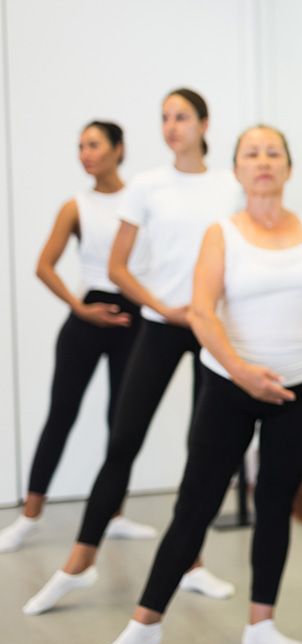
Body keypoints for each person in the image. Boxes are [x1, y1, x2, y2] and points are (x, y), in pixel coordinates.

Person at [101, 125, 302, 644]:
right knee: (197, 503)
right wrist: (240, 371)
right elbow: (203, 313)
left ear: (289, 166)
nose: (263, 161)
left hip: (300, 386)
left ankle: (261, 626)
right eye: (251, 153)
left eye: (273, 152)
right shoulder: (222, 232)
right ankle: (145, 624)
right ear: (236, 170)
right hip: (230, 384)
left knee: (277, 503)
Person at [23, 88, 243, 616]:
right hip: (163, 324)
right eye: (165, 117)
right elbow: (119, 267)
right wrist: (164, 309)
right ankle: (80, 560)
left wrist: (210, 310)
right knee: (123, 440)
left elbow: (242, 255)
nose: (171, 126)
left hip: (212, 325)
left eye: (182, 116)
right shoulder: (147, 185)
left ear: (204, 123)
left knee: (203, 447)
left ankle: (191, 562)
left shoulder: (231, 186)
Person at [0, 121, 156, 554]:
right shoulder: (77, 206)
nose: (85, 154)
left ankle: (114, 514)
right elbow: (44, 265)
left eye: (93, 145)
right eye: (80, 147)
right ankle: (29, 517)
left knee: (121, 423)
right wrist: (78, 306)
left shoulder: (140, 199)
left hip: (132, 320)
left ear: (117, 149)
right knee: (61, 414)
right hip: (87, 319)